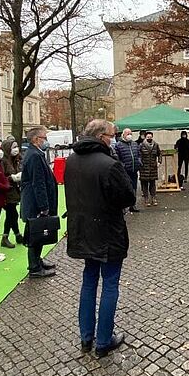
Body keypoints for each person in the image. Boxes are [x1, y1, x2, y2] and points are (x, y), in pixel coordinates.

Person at [65, 120, 135, 357]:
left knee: (88, 282)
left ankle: (86, 338)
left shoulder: (71, 161)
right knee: (110, 284)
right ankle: (104, 340)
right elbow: (128, 197)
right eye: (112, 135)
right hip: (108, 233)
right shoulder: (109, 164)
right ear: (100, 136)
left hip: (83, 231)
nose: (113, 139)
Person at [21, 126, 58, 277]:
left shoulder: (35, 153)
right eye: (44, 138)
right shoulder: (35, 155)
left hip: (34, 201)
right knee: (36, 234)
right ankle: (34, 267)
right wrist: (44, 206)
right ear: (36, 139)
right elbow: (38, 183)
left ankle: (37, 260)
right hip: (35, 203)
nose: (46, 141)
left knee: (39, 233)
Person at [0, 138, 24, 248]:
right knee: (12, 214)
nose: (16, 149)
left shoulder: (15, 159)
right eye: (13, 147)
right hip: (6, 192)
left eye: (16, 146)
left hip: (14, 191)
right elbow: (1, 177)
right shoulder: (3, 161)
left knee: (12, 214)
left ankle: (17, 235)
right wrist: (12, 178)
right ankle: (5, 237)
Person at [114, 128, 142, 212]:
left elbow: (139, 154)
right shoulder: (118, 145)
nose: (129, 135)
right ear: (123, 135)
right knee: (125, 188)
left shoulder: (134, 144)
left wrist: (139, 161)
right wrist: (122, 165)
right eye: (127, 134)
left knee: (134, 188)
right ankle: (124, 206)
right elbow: (117, 157)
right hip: (125, 171)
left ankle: (133, 205)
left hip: (134, 170)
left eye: (130, 133)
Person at [138, 131, 161, 207]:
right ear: (145, 137)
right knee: (145, 184)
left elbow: (159, 154)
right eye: (148, 137)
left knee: (152, 183)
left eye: (150, 137)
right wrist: (140, 163)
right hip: (144, 168)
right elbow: (138, 155)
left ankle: (153, 198)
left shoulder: (156, 145)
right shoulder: (141, 145)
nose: (149, 138)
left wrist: (159, 162)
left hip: (153, 167)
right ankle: (146, 198)